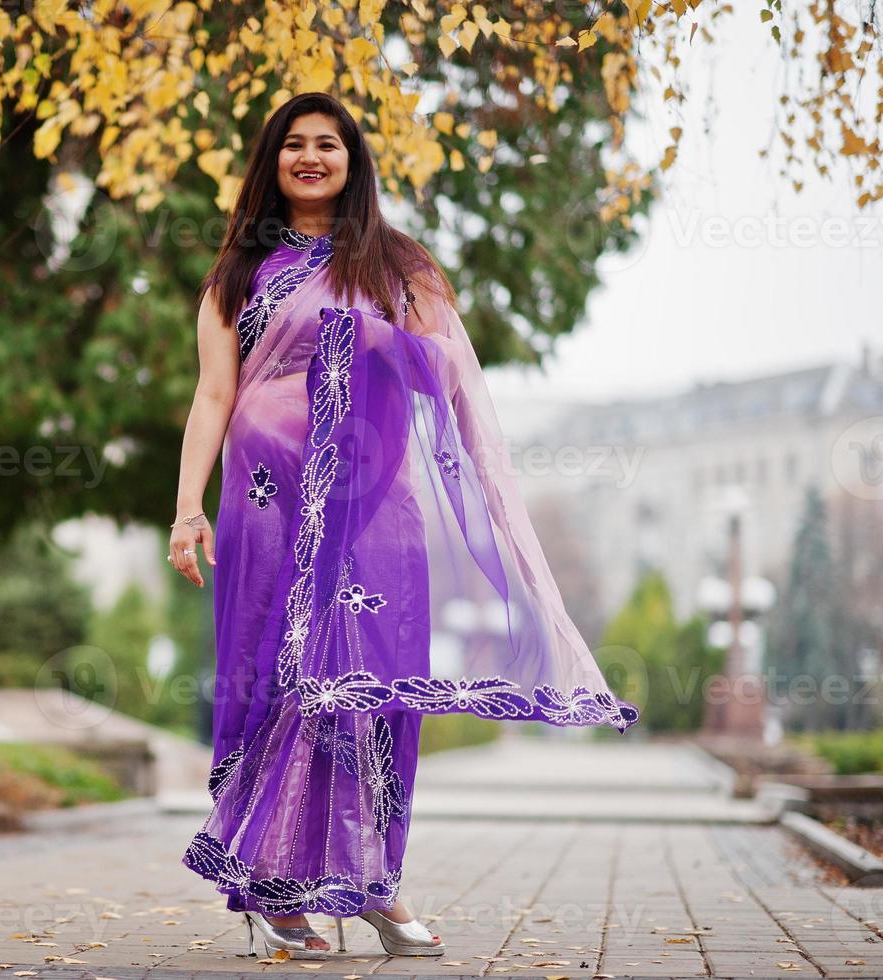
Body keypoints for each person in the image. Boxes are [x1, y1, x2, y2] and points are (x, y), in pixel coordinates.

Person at [168, 92, 640, 961]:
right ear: (271, 161)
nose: (310, 158)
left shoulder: (395, 265)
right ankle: (274, 893)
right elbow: (211, 394)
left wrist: (379, 342)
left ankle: (375, 883)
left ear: (354, 161)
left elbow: (446, 379)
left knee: (373, 686)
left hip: (372, 505)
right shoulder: (237, 274)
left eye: (328, 145)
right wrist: (187, 504)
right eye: (294, 146)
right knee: (277, 682)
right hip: (265, 503)